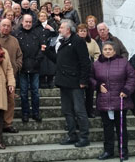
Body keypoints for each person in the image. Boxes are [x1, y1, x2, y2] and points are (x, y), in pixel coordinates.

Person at [45, 20, 91, 148]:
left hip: (76, 83)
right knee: (67, 110)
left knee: (79, 110)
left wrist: (83, 80)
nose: (59, 30)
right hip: (64, 82)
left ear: (68, 30)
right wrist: (47, 52)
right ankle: (72, 135)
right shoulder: (63, 42)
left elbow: (85, 62)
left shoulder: (78, 41)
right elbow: (58, 60)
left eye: (61, 27)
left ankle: (84, 137)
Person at [90, 41, 135, 160]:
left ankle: (123, 151)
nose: (108, 51)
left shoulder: (124, 62)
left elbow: (132, 77)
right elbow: (90, 78)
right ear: (102, 51)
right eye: (105, 49)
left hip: (120, 100)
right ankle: (108, 151)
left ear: (114, 51)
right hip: (104, 101)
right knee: (107, 128)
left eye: (110, 49)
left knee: (121, 127)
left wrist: (126, 90)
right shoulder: (96, 64)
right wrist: (98, 85)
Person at [14, 14, 44, 123]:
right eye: (26, 22)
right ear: (22, 22)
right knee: (23, 92)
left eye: (30, 22)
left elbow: (43, 47)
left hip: (35, 67)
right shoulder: (16, 33)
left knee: (35, 91)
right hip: (22, 67)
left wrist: (37, 60)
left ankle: (36, 113)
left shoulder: (37, 32)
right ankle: (25, 113)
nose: (28, 24)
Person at [0, 19, 23, 133]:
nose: (6, 28)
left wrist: (17, 66)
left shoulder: (14, 40)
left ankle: (7, 123)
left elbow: (19, 56)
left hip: (11, 76)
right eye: (4, 25)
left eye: (8, 26)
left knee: (10, 100)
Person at [77, 23, 101, 118]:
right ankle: (81, 112)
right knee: (80, 94)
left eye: (84, 31)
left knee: (90, 92)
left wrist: (94, 63)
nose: (83, 33)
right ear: (77, 32)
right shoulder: (75, 41)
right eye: (81, 31)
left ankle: (89, 110)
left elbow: (97, 53)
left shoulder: (92, 42)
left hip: (90, 69)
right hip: (78, 70)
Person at [34, 11, 58, 89]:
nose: (43, 18)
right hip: (40, 48)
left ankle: (50, 81)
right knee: (42, 65)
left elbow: (56, 35)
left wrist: (51, 29)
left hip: (50, 49)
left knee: (50, 65)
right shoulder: (36, 26)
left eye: (44, 16)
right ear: (38, 17)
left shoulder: (51, 25)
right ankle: (43, 81)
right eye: (41, 16)